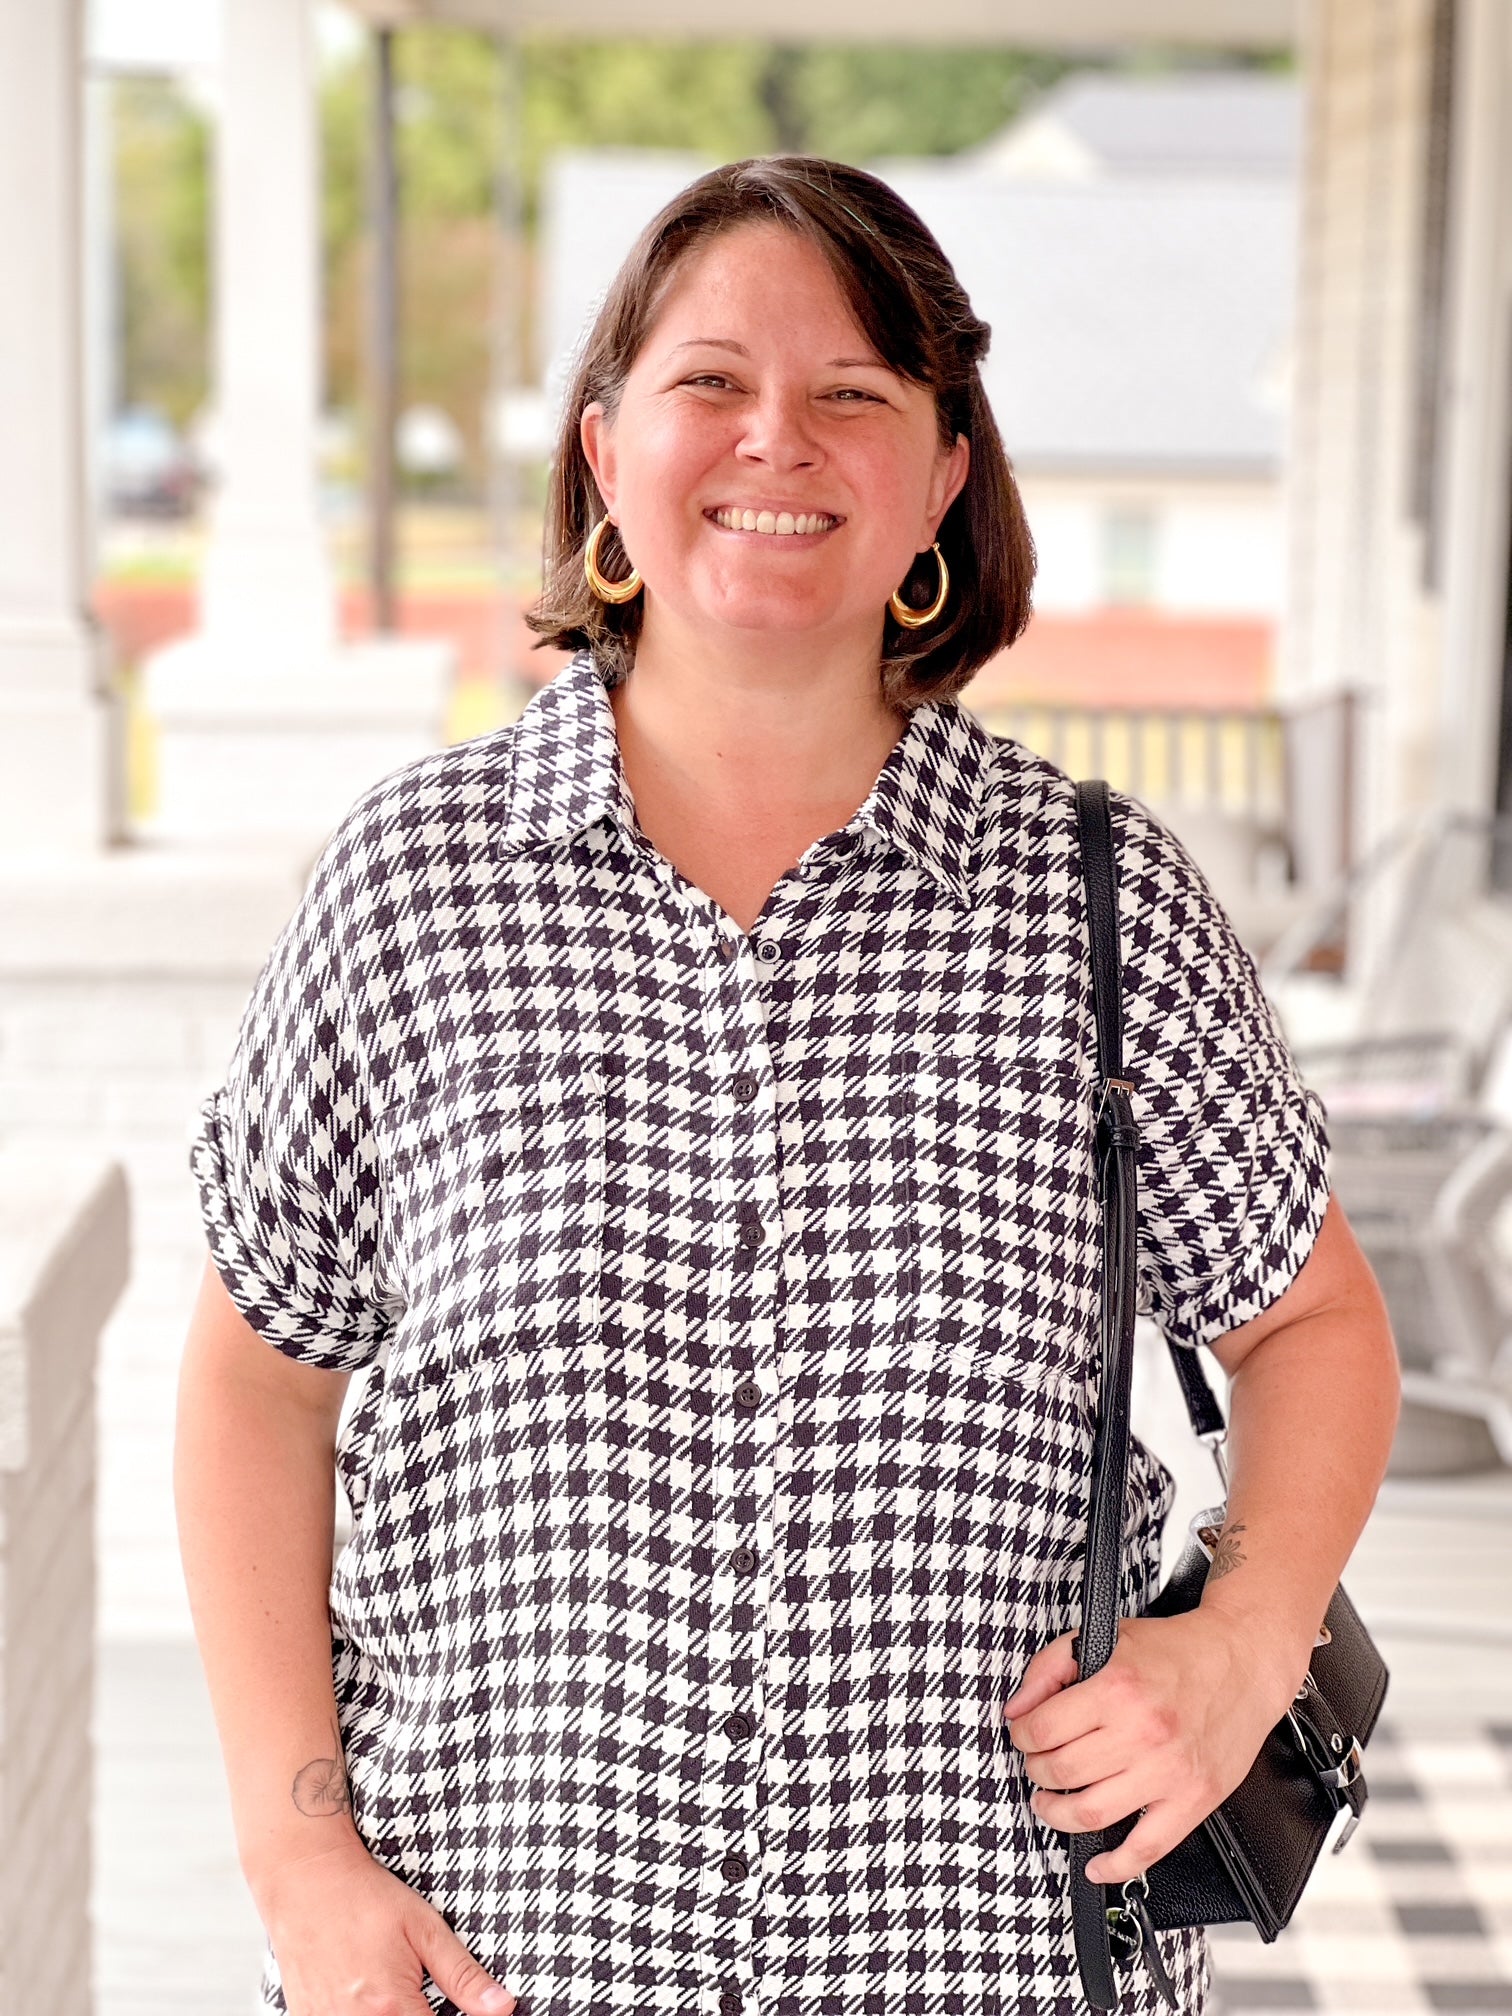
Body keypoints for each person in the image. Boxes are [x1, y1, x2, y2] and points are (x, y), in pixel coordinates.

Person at [174, 155, 1400, 2016]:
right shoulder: (412, 890)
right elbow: (257, 1372)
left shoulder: (1100, 901)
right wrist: (296, 1858)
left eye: (854, 396)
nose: (779, 442)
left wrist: (1244, 1644)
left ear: (942, 478)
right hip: (488, 1966)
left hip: (986, 1961)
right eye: (711, 383)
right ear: (605, 453)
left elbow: (1315, 1320)